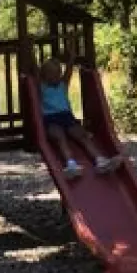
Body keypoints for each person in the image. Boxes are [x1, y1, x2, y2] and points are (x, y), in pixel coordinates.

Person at [39, 51, 122, 179]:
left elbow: (69, 69)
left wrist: (72, 54)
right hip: (51, 119)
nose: (57, 76)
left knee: (82, 135)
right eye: (53, 74)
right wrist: (29, 49)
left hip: (67, 117)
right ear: (45, 76)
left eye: (58, 73)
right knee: (60, 137)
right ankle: (71, 164)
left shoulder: (62, 85)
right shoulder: (42, 87)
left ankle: (100, 161)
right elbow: (34, 70)